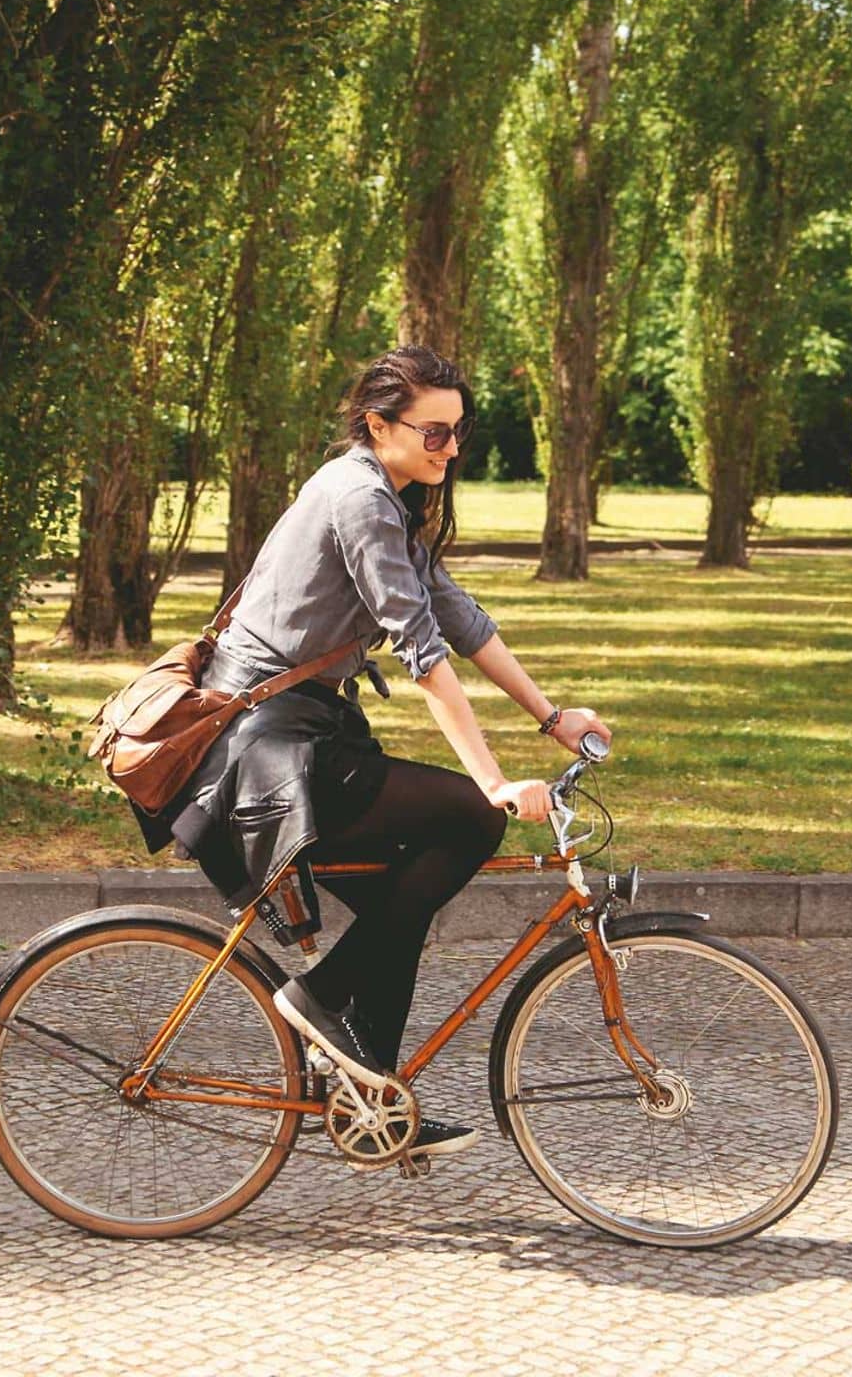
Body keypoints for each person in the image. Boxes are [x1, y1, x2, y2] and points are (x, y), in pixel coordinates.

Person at [136, 345, 612, 1162]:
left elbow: (456, 613)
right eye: (434, 433)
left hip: (307, 730)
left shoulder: (383, 496)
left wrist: (552, 715)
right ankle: (319, 998)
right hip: (266, 746)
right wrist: (493, 782)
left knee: (410, 891)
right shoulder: (358, 498)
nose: (450, 451)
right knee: (466, 821)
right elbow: (421, 651)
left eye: (458, 434)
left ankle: (373, 1094)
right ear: (378, 424)